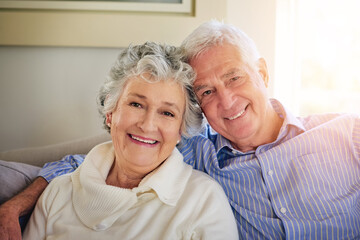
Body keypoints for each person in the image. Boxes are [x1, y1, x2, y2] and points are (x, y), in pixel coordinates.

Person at [1, 20, 360, 239]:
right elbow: (98, 163)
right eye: (207, 91)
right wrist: (15, 205)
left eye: (235, 77)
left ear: (262, 74)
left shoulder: (346, 135)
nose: (227, 100)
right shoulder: (192, 149)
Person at [21, 42, 239, 239]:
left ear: (181, 130)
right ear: (110, 111)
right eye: (136, 104)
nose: (147, 125)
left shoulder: (204, 201)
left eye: (167, 113)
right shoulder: (58, 192)